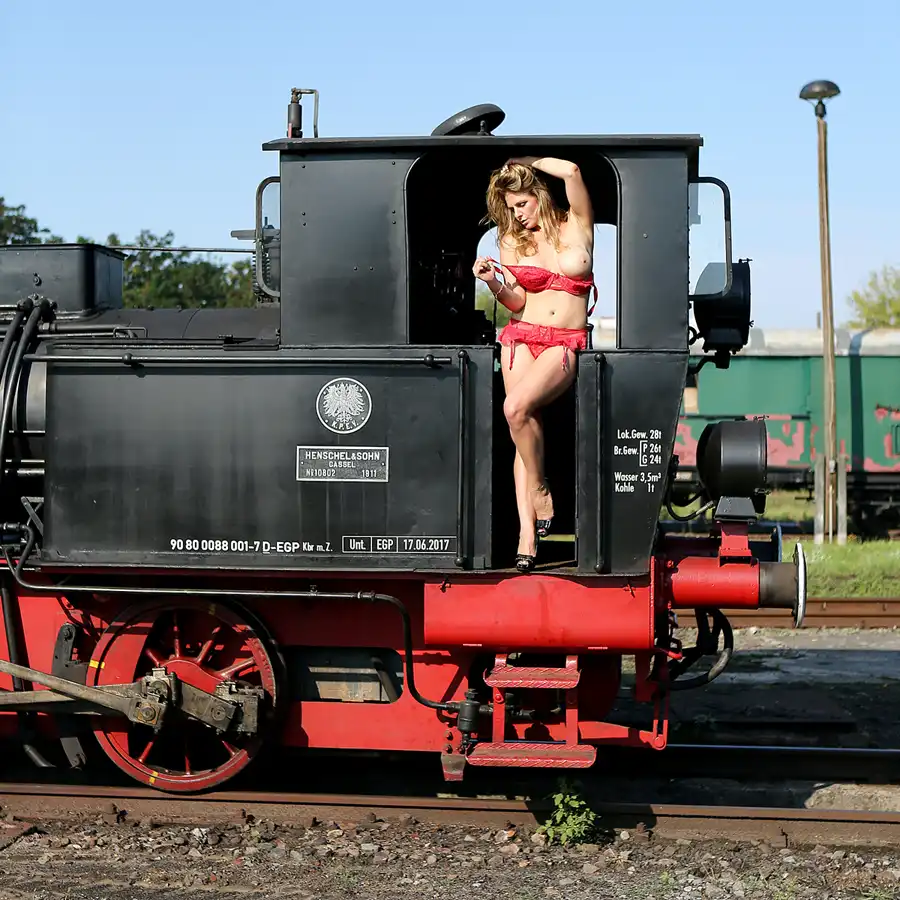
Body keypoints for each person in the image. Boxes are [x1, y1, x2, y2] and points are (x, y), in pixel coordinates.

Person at [473, 157, 596, 573]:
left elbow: (573, 172)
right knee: (520, 423)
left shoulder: (576, 223)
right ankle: (527, 533)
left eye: (521, 204)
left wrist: (526, 160)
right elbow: (518, 301)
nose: (516, 214)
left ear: (538, 194)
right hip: (521, 337)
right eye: (509, 208)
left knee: (515, 409)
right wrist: (492, 281)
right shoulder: (512, 241)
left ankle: (541, 486)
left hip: (564, 342)